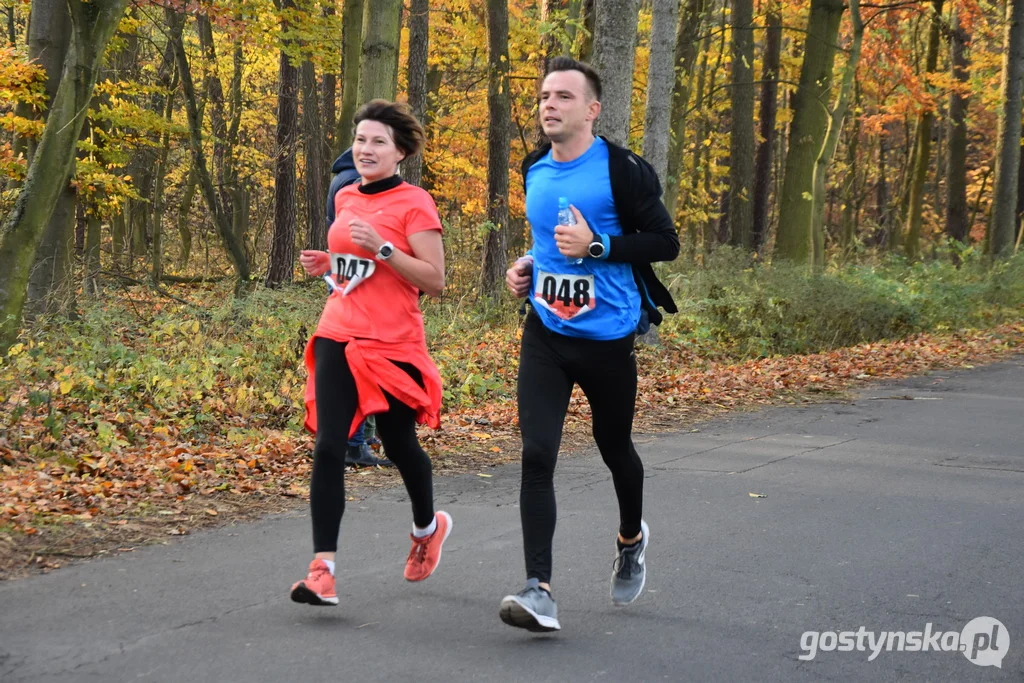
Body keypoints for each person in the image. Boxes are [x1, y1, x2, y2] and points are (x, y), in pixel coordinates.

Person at [499, 57, 679, 632]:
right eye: (545, 96)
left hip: (607, 340)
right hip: (546, 334)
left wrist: (598, 246)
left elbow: (665, 243)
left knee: (613, 446)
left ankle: (631, 538)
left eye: (563, 97)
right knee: (536, 454)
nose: (549, 105)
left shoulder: (625, 171)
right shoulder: (533, 168)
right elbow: (544, 243)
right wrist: (523, 268)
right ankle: (538, 590)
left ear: (592, 109)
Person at [290, 99, 452, 607]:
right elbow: (353, 266)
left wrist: (384, 247)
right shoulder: (346, 197)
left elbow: (435, 281)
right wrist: (330, 262)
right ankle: (323, 570)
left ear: (400, 152)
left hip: (393, 342)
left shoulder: (415, 203)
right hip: (340, 332)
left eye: (378, 141)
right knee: (329, 447)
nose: (365, 149)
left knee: (400, 441)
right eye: (360, 139)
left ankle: (427, 528)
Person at [327, 147, 394, 469]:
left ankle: (360, 439)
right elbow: (359, 243)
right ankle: (353, 443)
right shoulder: (353, 183)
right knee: (362, 369)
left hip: (351, 282)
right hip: (362, 287)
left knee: (362, 366)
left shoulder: (344, 178)